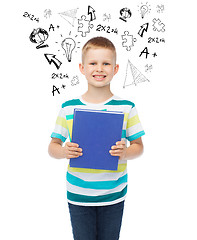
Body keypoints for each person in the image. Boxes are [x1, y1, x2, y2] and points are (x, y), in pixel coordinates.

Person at [48, 36, 145, 240]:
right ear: (82, 68)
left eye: (106, 63)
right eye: (93, 63)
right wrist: (64, 151)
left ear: (115, 69)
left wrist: (126, 152)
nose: (99, 69)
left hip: (114, 194)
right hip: (78, 195)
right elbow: (53, 146)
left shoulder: (127, 107)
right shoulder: (69, 107)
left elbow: (139, 146)